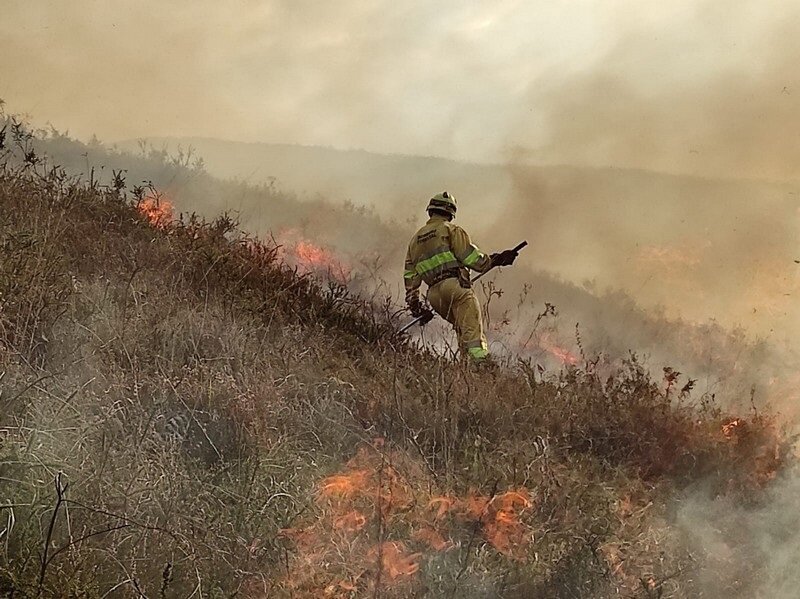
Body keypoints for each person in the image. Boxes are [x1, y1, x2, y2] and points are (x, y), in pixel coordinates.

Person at [403, 191, 518, 361]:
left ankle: (465, 367)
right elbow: (471, 258)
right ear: (451, 213)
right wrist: (495, 260)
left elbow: (410, 277)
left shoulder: (414, 240)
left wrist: (416, 307)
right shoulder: (451, 230)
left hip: (434, 296)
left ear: (430, 211)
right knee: (472, 330)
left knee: (462, 328)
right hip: (454, 287)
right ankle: (481, 365)